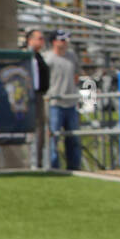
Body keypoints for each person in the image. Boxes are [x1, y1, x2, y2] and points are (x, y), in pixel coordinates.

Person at [44, 29, 82, 170]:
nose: (65, 42)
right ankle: (54, 168)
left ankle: (74, 168)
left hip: (71, 103)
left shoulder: (72, 56)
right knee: (53, 139)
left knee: (73, 139)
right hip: (54, 104)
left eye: (66, 39)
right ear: (54, 41)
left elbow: (76, 75)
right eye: (62, 39)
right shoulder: (48, 58)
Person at [25, 29, 50, 168]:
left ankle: (38, 161)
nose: (42, 41)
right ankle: (32, 161)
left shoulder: (39, 56)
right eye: (39, 38)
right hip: (30, 96)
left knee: (41, 128)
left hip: (40, 95)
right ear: (31, 40)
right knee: (34, 128)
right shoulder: (26, 56)